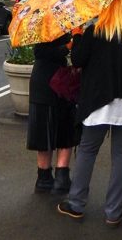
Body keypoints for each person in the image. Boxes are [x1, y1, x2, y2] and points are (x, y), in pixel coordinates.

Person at [57, 0, 122, 226]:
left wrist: (77, 35)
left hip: (98, 103)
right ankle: (113, 212)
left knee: (88, 151)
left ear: (106, 11)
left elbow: (77, 60)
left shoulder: (94, 34)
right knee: (120, 156)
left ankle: (76, 203)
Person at [27, 34, 79, 195]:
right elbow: (44, 52)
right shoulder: (53, 26)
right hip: (55, 83)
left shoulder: (41, 24)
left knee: (48, 128)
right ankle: (56, 177)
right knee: (62, 127)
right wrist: (70, 44)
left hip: (44, 83)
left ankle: (46, 178)